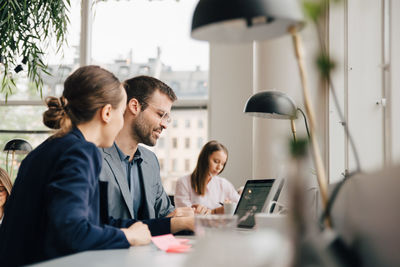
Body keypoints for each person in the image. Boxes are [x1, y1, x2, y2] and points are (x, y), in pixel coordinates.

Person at [0, 66, 192, 267]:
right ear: (107, 113)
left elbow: (99, 225)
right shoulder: (80, 152)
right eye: (120, 113)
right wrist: (128, 236)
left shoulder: (55, 147)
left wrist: (167, 225)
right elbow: (72, 233)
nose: (120, 124)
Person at [99, 75, 193, 221]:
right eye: (161, 114)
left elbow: (164, 214)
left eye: (167, 118)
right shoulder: (93, 157)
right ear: (135, 106)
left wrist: (186, 215)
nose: (165, 125)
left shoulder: (150, 161)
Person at [174, 140, 240, 214]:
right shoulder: (184, 182)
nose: (219, 167)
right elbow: (185, 215)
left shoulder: (224, 184)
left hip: (220, 225)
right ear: (204, 158)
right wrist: (215, 211)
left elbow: (240, 205)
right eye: (216, 161)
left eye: (222, 164)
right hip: (194, 225)